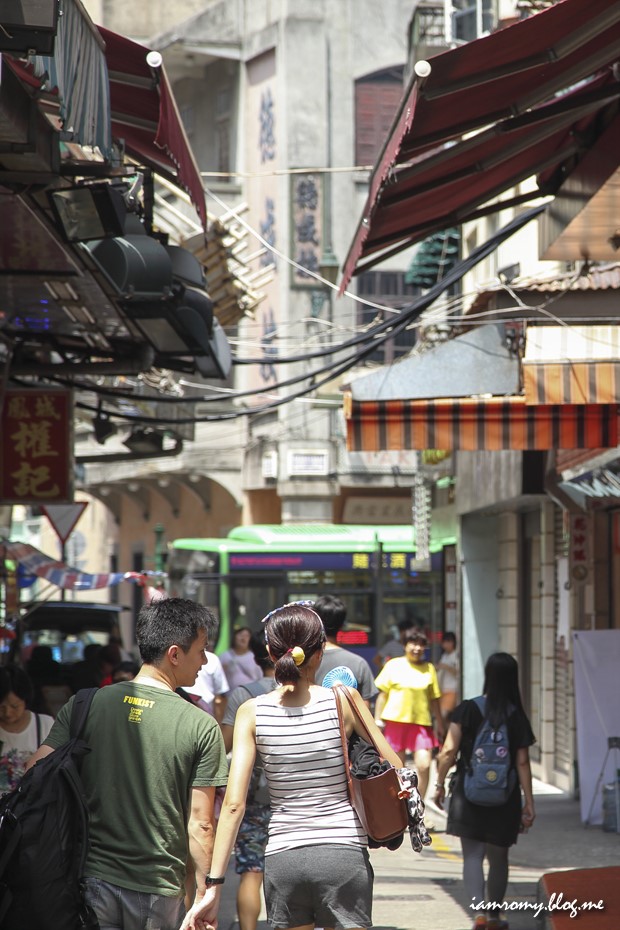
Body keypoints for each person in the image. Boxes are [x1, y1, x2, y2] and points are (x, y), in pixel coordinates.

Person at [180, 600, 404, 930]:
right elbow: (394, 766)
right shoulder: (344, 700)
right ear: (320, 652)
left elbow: (233, 806)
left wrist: (213, 885)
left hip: (283, 858)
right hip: (343, 853)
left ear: (270, 651)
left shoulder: (252, 712)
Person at [26, 597, 229, 930]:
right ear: (175, 654)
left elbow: (36, 771)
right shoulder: (201, 725)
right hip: (158, 888)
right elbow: (201, 824)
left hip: (88, 880)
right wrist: (207, 894)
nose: (205, 661)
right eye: (202, 650)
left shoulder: (85, 704)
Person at [432, 652, 536, 930]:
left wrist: (439, 784)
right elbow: (523, 762)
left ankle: (478, 914)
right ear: (513, 680)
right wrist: (529, 802)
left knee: (473, 855)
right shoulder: (516, 716)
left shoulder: (468, 708)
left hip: (469, 792)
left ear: (488, 677)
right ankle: (494, 916)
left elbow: (448, 751)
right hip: (506, 796)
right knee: (499, 857)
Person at [220, 633, 277, 930]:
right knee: (288, 877)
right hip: (292, 802)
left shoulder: (244, 695)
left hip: (253, 798)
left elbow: (223, 745)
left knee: (252, 872)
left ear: (254, 657)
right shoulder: (307, 693)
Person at [374, 630, 444, 803]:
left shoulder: (429, 668)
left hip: (421, 725)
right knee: (396, 768)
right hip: (395, 722)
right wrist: (377, 720)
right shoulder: (393, 665)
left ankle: (418, 805)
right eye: (413, 643)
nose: (417, 648)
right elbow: (382, 694)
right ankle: (399, 808)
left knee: (424, 765)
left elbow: (434, 700)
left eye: (421, 644)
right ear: (405, 646)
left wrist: (440, 724)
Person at [314, 594, 378, 707]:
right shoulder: (359, 663)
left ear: (314, 621)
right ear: (342, 624)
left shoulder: (303, 661)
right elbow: (364, 711)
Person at [0, 666, 54, 796]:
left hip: (33, 809)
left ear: (26, 699)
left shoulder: (45, 724)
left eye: (15, 706)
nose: (8, 713)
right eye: (1, 707)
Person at [182, 649, 229, 723]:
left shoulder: (213, 659)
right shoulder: (213, 659)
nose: (205, 661)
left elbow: (219, 698)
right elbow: (219, 699)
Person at [220, 627, 262, 691]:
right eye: (240, 635)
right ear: (234, 637)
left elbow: (260, 677)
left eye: (247, 636)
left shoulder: (254, 657)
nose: (243, 638)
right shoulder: (225, 656)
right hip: (230, 696)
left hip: (251, 695)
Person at [436, 631, 460, 726]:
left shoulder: (456, 656)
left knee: (442, 716)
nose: (445, 645)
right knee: (447, 721)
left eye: (447, 642)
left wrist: (445, 666)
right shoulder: (444, 655)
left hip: (452, 690)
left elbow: (458, 672)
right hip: (442, 689)